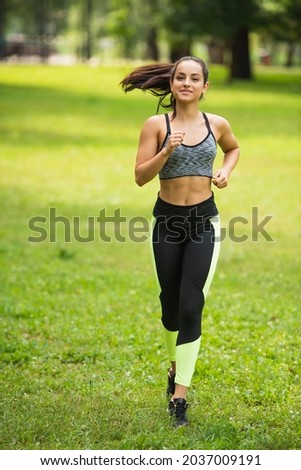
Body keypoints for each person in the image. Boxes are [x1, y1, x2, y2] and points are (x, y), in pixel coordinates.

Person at [120, 56, 240, 427]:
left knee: (191, 307)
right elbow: (140, 177)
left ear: (205, 87)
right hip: (167, 223)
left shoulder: (216, 124)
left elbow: (233, 149)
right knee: (170, 309)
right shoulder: (156, 125)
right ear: (172, 84)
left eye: (195, 78)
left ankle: (180, 398)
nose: (187, 83)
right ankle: (175, 371)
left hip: (204, 221)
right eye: (180, 77)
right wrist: (166, 150)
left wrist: (224, 170)